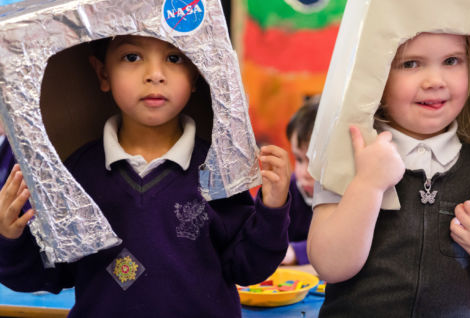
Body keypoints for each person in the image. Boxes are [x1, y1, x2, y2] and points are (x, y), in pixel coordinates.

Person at [0, 35, 291, 317]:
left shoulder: (218, 166)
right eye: (132, 57)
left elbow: (246, 267)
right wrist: (8, 238)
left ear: (196, 74)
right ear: (102, 73)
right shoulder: (77, 171)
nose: (155, 74)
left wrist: (273, 210)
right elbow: (47, 273)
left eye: (174, 58)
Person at [307, 33, 470, 317]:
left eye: (451, 60)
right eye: (410, 64)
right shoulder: (350, 153)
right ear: (378, 75)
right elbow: (329, 266)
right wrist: (368, 185)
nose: (434, 80)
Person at [280, 96, 319, 266]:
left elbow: (347, 242)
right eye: (299, 159)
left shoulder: (353, 196)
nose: (305, 173)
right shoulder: (290, 188)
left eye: (316, 162)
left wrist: (296, 252)